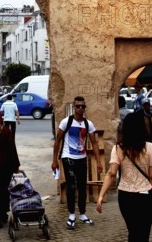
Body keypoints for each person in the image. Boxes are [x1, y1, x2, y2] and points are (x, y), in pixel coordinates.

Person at [96, 113, 152, 241]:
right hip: (146, 198)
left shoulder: (118, 148)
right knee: (143, 233)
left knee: (133, 231)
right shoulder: (150, 148)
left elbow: (111, 174)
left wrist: (101, 195)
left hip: (126, 197)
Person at [52, 96, 103, 228]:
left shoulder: (88, 124)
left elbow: (94, 143)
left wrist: (98, 162)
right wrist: (54, 161)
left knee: (81, 186)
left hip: (82, 158)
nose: (81, 108)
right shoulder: (66, 122)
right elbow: (57, 141)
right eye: (78, 106)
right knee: (71, 186)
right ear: (73, 107)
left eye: (83, 106)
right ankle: (71, 215)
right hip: (68, 157)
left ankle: (82, 213)